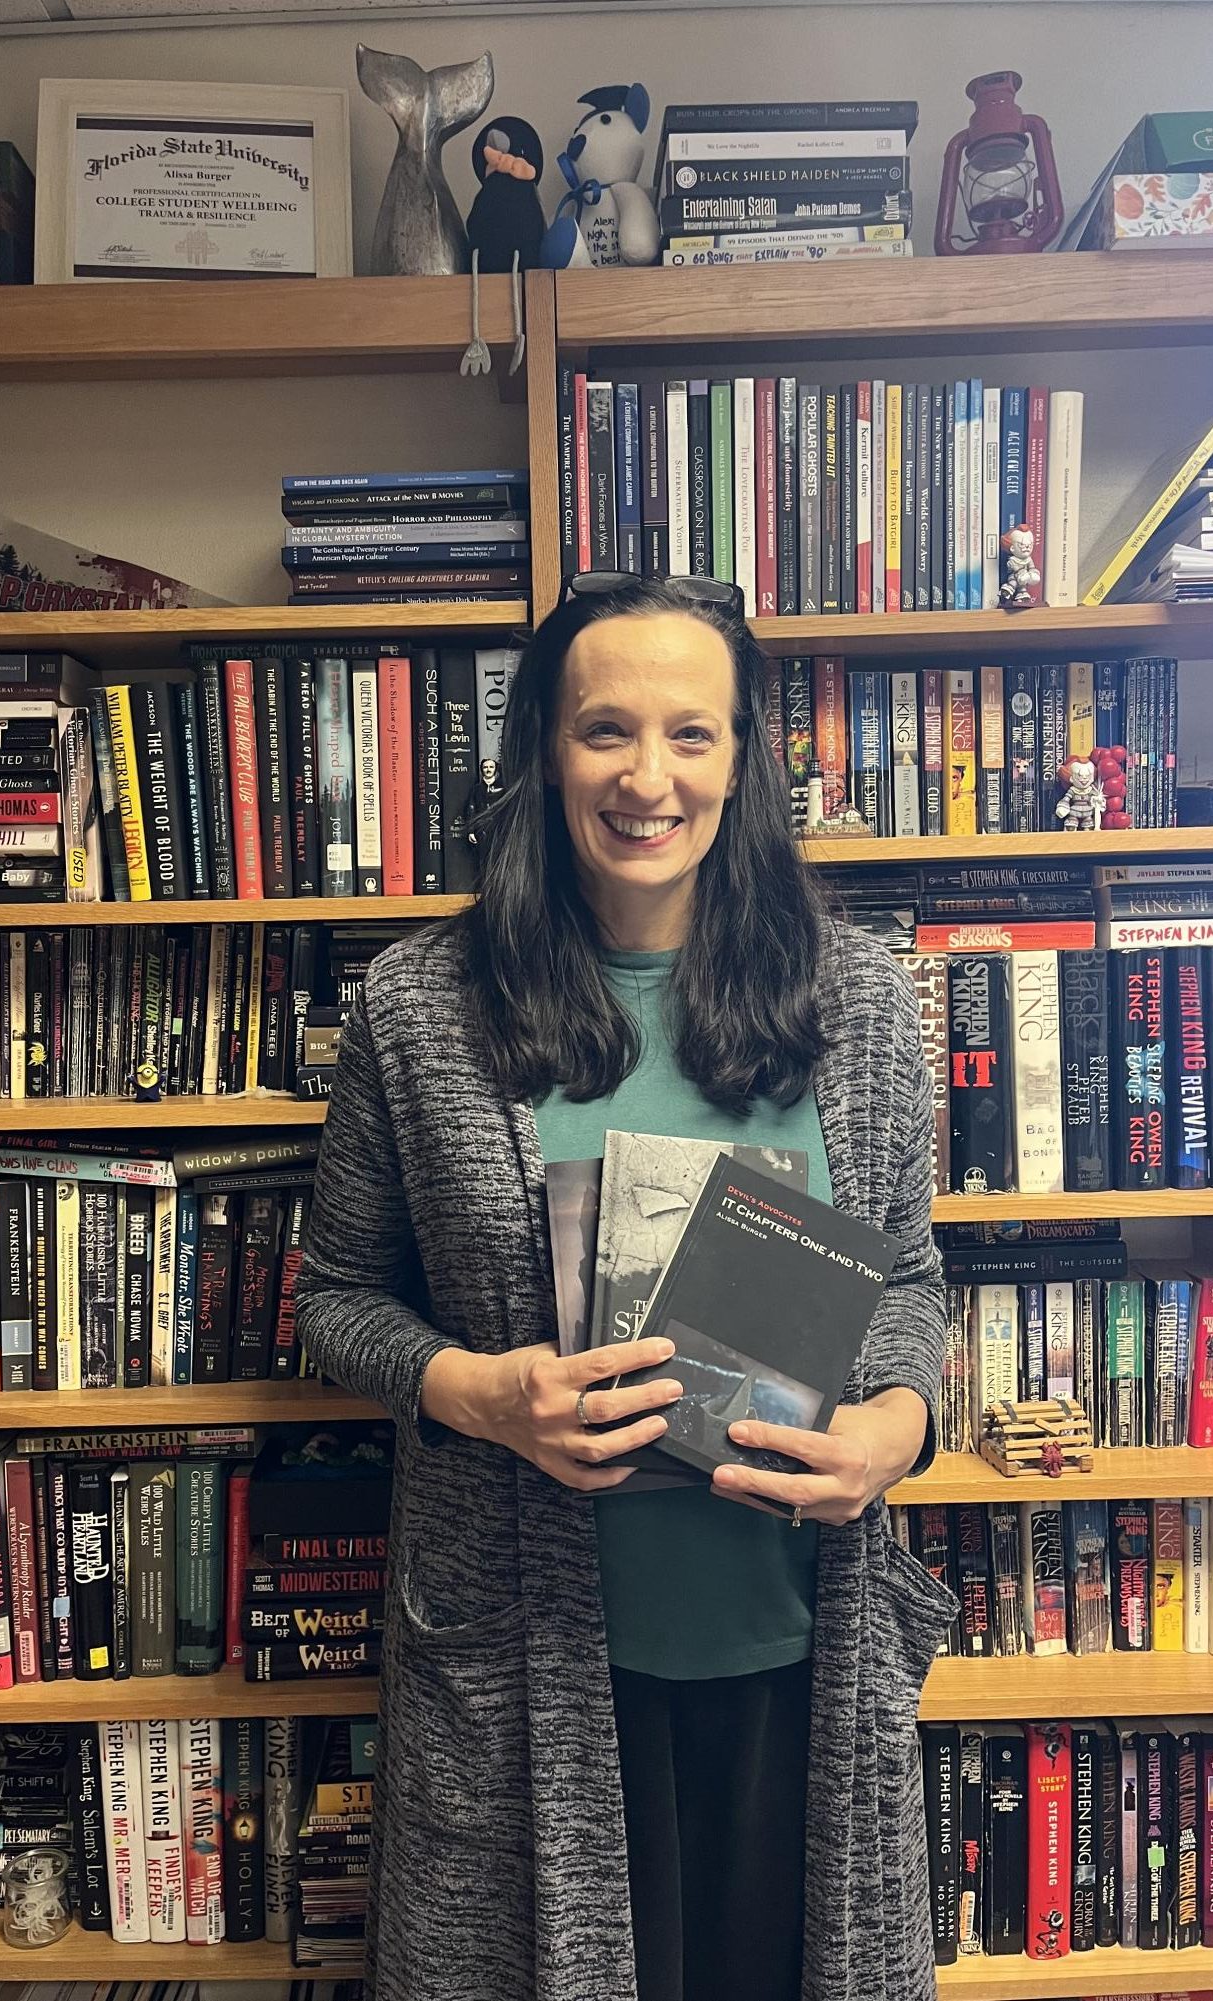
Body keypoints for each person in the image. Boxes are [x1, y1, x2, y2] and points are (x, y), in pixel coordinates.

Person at [297, 574, 956, 2001]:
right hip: (526, 1658)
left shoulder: (858, 999)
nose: (646, 778)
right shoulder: (417, 1005)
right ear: (543, 748)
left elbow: (908, 1281)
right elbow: (337, 1296)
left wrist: (888, 1435)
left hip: (801, 1644)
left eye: (690, 735)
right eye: (605, 730)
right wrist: (474, 1391)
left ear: (740, 757)